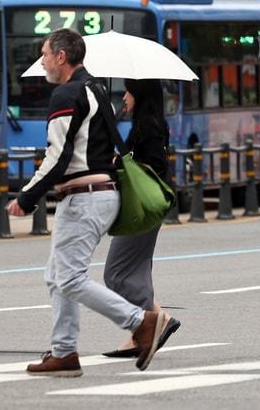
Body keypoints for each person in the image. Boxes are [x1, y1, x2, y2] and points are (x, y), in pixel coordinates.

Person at [7, 29, 177, 377]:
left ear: (61, 57)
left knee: (68, 277)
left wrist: (27, 198)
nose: (42, 62)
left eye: (44, 54)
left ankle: (141, 323)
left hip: (84, 197)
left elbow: (57, 156)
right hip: (100, 194)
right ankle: (64, 352)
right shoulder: (95, 89)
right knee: (57, 276)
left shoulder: (67, 94)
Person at [101, 79, 177, 358]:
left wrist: (123, 163)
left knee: (116, 273)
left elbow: (155, 165)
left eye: (129, 91)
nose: (124, 97)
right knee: (136, 270)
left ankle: (147, 327)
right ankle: (155, 323)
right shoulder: (148, 123)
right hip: (144, 207)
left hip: (142, 207)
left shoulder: (149, 126)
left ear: (141, 94)